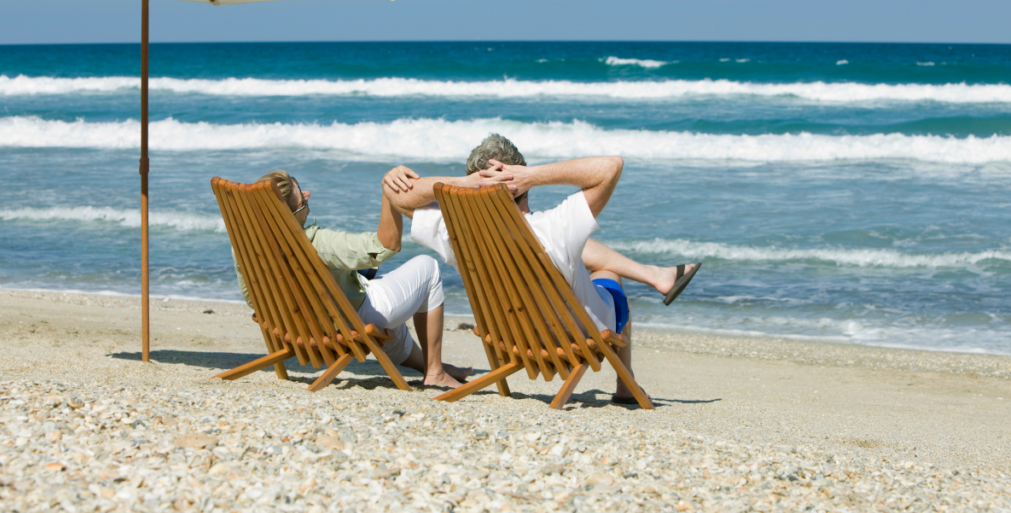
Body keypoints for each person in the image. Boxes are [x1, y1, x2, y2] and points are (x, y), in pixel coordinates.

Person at [381, 134, 701, 403]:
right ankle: (625, 382)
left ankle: (656, 275)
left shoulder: (455, 232)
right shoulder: (556, 226)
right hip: (575, 336)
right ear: (520, 179)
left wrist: (463, 184)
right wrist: (533, 174)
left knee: (579, 252)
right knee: (606, 276)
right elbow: (610, 165)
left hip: (510, 338)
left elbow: (398, 197)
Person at [233, 169, 471, 389]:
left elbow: (252, 300)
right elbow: (383, 248)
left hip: (301, 325)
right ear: (287, 218)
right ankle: (435, 373)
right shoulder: (316, 244)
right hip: (344, 321)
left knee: (389, 307)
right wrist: (389, 196)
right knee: (427, 268)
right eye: (302, 201)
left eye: (301, 188)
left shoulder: (244, 246)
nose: (308, 194)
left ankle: (433, 366)